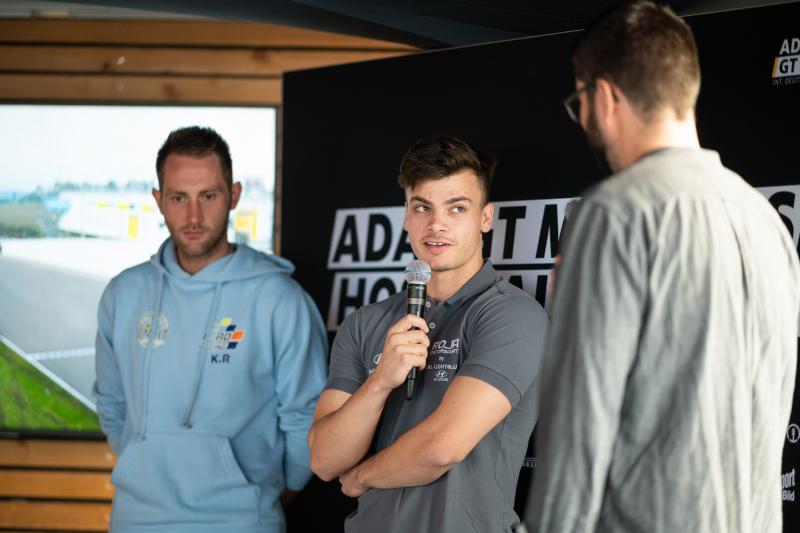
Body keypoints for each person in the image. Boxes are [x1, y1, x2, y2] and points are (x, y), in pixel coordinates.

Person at [523, 2, 800, 532]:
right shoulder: (767, 222)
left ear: (605, 97)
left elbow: (578, 435)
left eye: (579, 102)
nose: (582, 120)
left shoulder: (616, 211)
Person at [308, 136, 548, 533]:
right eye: (423, 207)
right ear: (406, 216)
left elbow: (442, 448)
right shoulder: (366, 322)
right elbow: (324, 460)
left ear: (485, 218)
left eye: (457, 208)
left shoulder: (512, 315)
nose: (436, 224)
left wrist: (362, 477)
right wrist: (380, 381)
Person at [94, 126, 328, 533]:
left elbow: (307, 418)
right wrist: (142, 464)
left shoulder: (280, 299)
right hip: (136, 519)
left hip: (242, 521)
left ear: (233, 196)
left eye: (208, 196)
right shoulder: (123, 293)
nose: (194, 216)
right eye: (178, 198)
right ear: (158, 200)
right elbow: (111, 405)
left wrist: (262, 499)